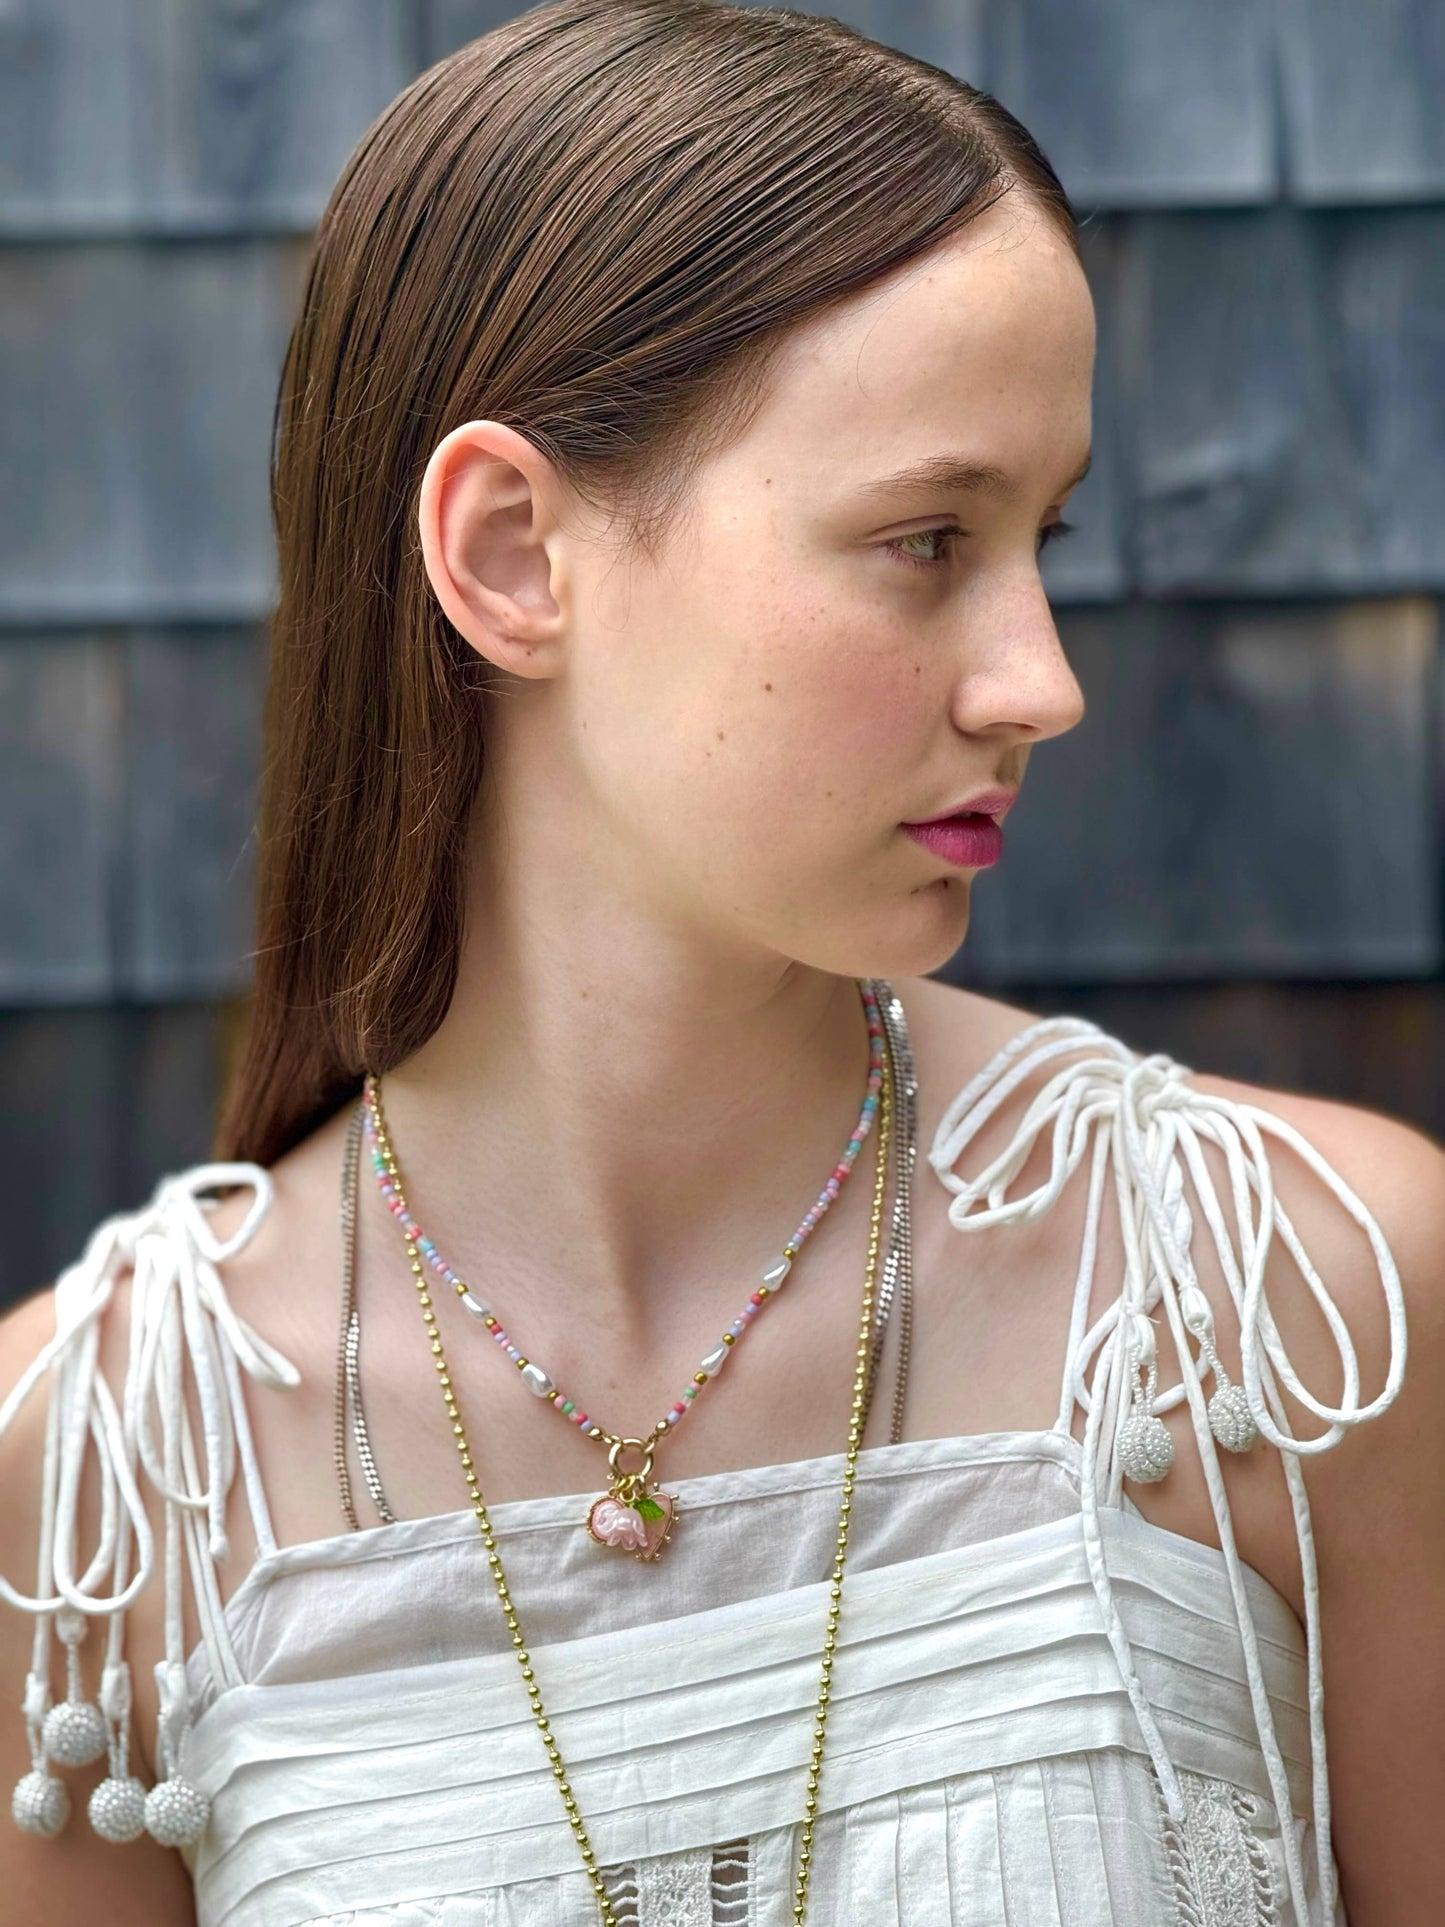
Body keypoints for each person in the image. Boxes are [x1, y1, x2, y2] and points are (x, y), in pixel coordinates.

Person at [2, 2, 1441, 1921]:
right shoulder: (104, 1479)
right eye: (924, 539)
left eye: (1042, 537)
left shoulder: (1289, 1305)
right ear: (512, 554)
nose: (1042, 682)